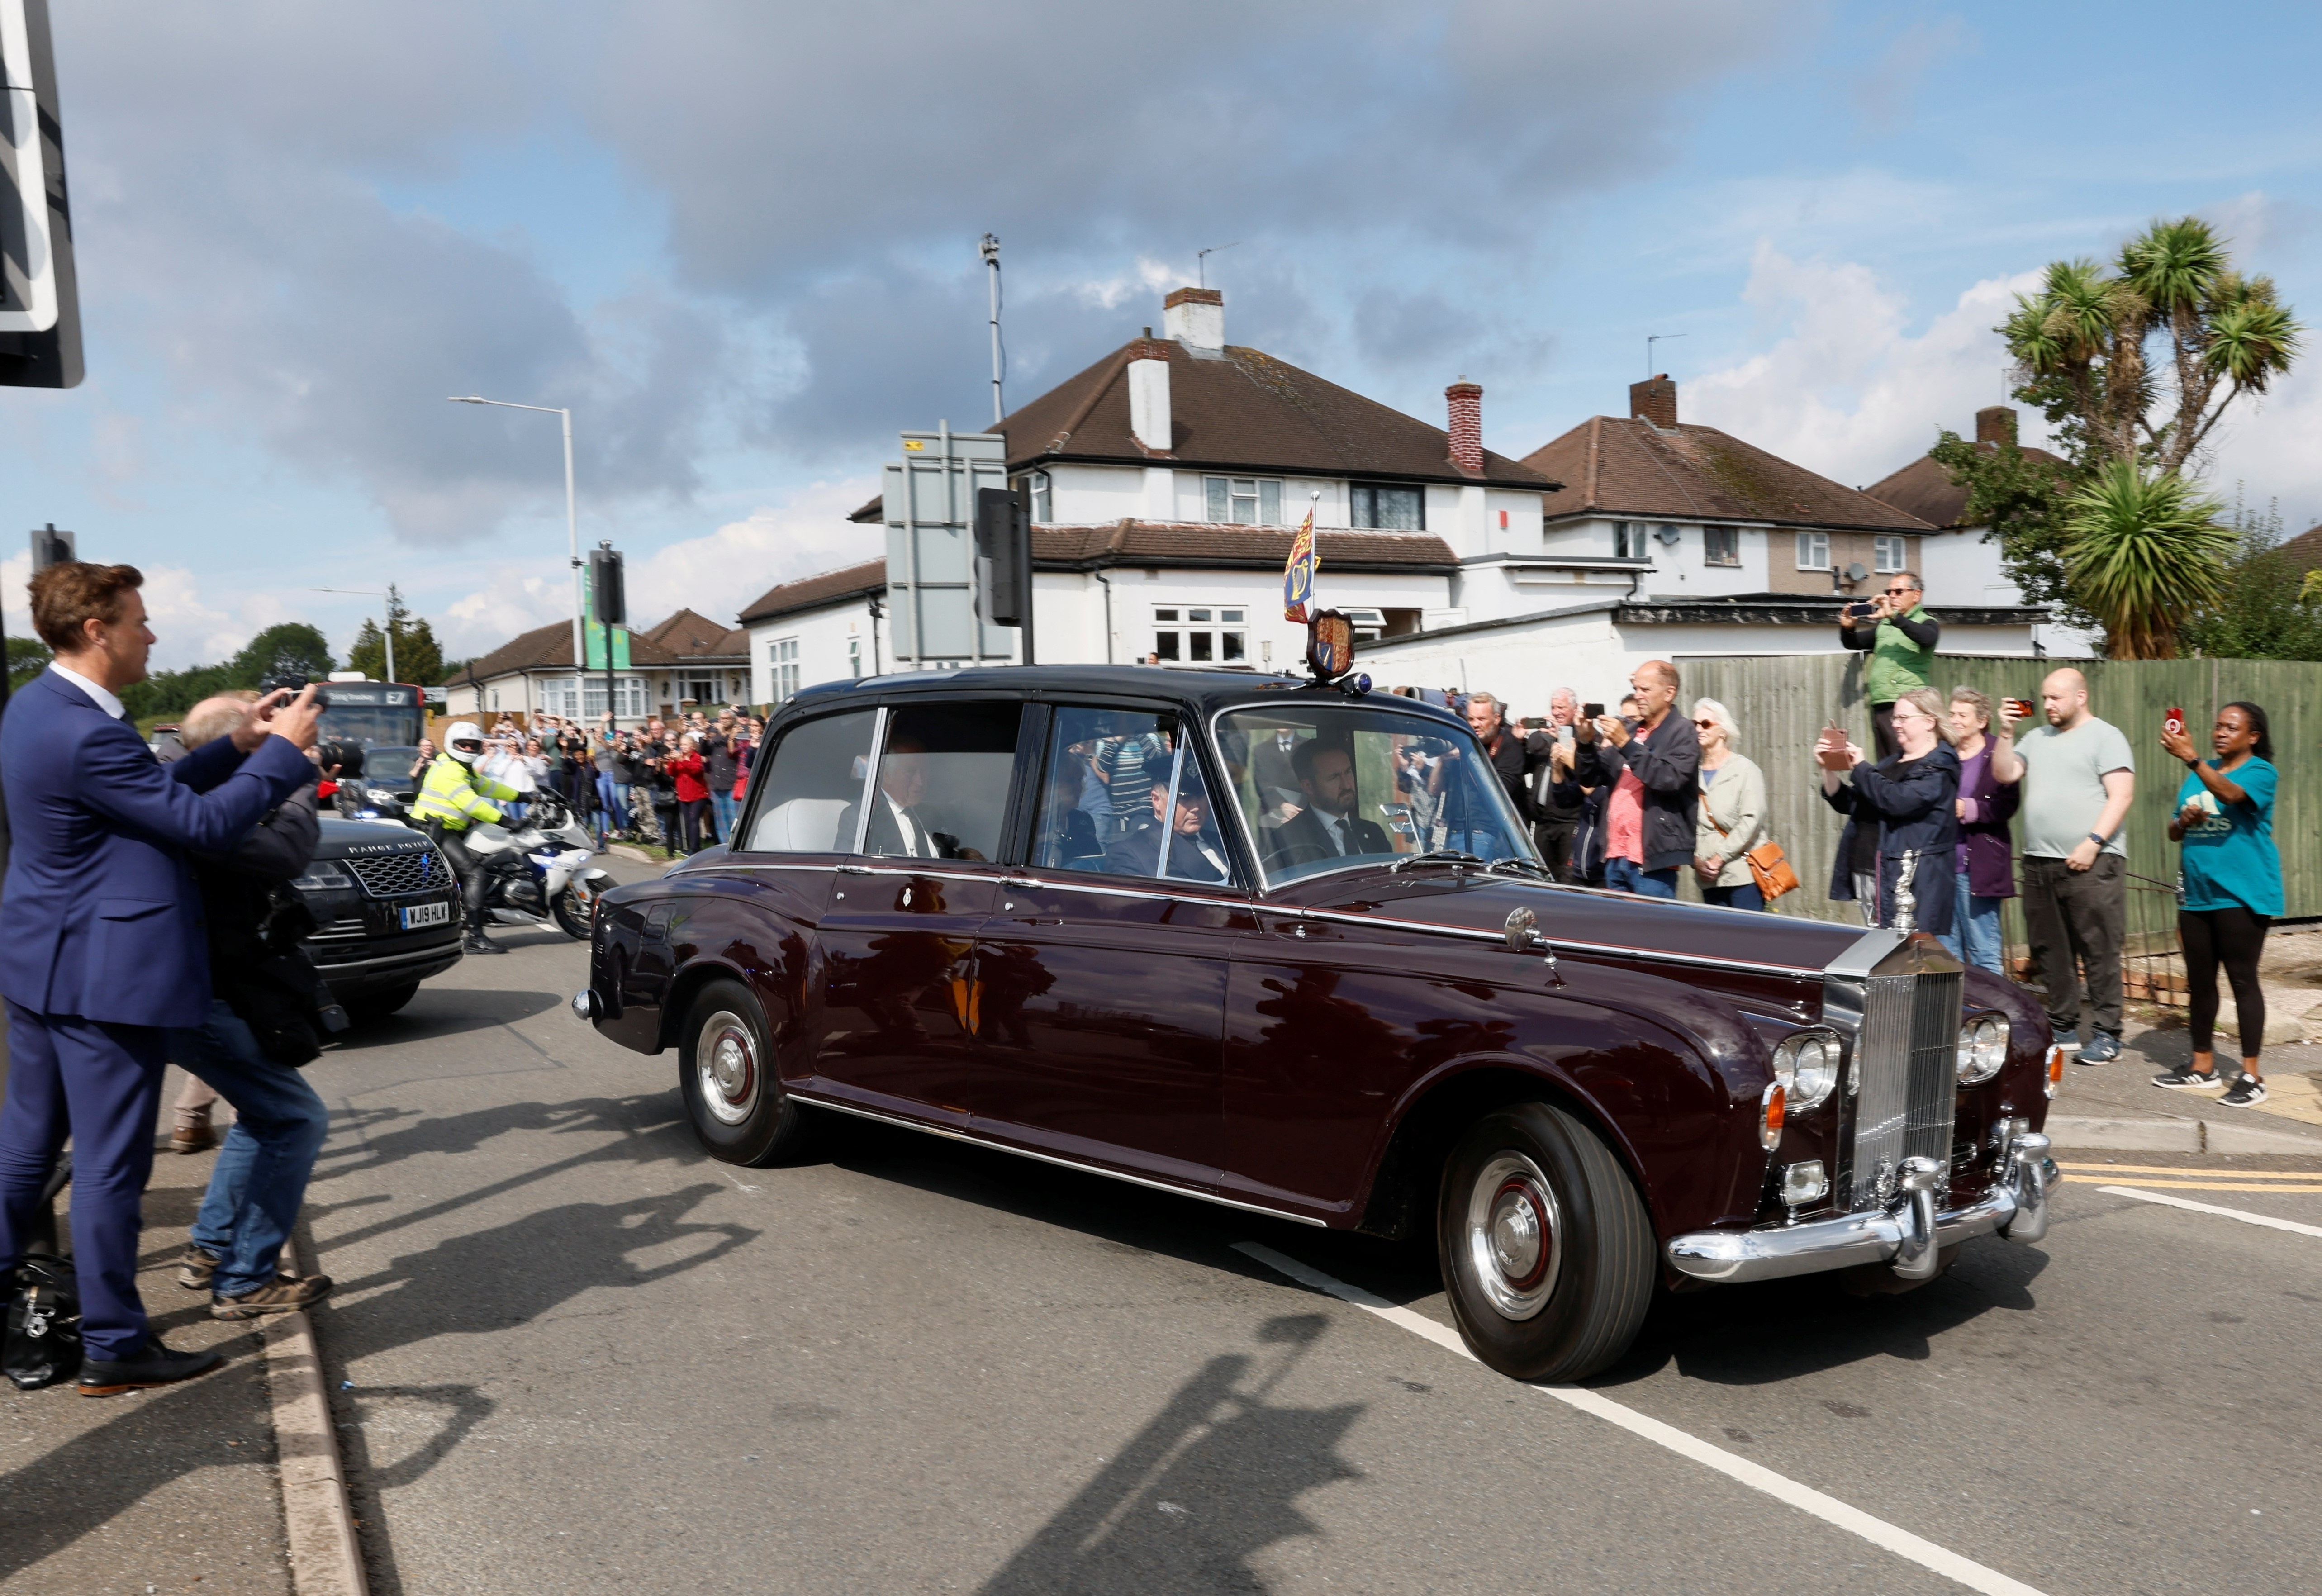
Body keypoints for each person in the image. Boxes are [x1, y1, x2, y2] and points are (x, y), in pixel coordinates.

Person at [0, 562, 320, 1395]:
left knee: (28, 1147)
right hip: (107, 977)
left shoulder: (41, 706)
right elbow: (205, 826)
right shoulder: (87, 730)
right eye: (139, 619)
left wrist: (236, 745)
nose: (152, 634)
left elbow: (147, 795)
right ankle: (113, 1341)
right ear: (97, 629)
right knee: (110, 1166)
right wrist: (284, 756)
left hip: (44, 963)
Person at [165, 695, 335, 1319]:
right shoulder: (204, 812)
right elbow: (283, 854)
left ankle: (212, 1250)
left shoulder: (198, 800)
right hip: (197, 996)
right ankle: (244, 1279)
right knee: (297, 1119)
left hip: (212, 990)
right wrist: (297, 781)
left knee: (265, 1116)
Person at [1990, 667, 2135, 1064]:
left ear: (2080, 697)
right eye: (2045, 698)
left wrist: (2092, 843)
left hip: (2091, 860)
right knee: (2049, 949)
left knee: (2098, 947)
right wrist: (2005, 733)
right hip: (2040, 862)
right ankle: (2063, 1026)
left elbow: (2121, 796)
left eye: (2056, 698)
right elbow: (2004, 773)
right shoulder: (2034, 738)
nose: (2048, 705)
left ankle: (2107, 1034)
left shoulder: (2106, 736)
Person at [2152, 702, 2280, 1107]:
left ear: (2252, 736)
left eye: (2231, 727)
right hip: (2197, 895)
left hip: (2240, 895)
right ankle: (2202, 1066)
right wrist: (2184, 821)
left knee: (2242, 980)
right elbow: (2173, 831)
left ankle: (2251, 1075)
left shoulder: (2260, 771)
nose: (2220, 733)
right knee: (2201, 982)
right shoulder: (2197, 774)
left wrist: (2190, 758)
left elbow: (2231, 794)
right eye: (2217, 726)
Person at [1818, 686, 1959, 936]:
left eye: (1903, 718)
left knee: (1909, 956)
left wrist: (1861, 767)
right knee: (1880, 950)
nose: (1895, 724)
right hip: (1871, 870)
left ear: (1929, 721)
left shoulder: (1940, 765)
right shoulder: (1890, 763)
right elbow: (1852, 804)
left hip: (1910, 878)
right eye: (1895, 718)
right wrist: (1827, 768)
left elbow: (1898, 801)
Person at [1577, 661, 1698, 898]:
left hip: (1651, 860)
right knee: (1618, 932)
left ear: (1669, 693)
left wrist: (1625, 744)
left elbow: (1669, 779)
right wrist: (1584, 742)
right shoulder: (1633, 731)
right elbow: (1591, 777)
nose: (1638, 696)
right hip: (1616, 853)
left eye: (1646, 690)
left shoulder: (1683, 731)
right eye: (1636, 689)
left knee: (1652, 931)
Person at [411, 720, 524, 955]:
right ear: (452, 744)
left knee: (484, 860)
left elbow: (490, 787)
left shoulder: (463, 768)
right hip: (436, 831)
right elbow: (472, 805)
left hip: (449, 829)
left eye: (473, 745)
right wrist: (508, 821)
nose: (469, 749)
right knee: (475, 872)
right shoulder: (449, 770)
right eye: (463, 745)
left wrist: (525, 796)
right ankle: (476, 937)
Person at [1937, 688, 2019, 975]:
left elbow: (2008, 804)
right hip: (1943, 865)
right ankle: (1954, 1016)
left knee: (1984, 953)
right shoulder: (1942, 753)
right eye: (1952, 714)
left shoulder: (1998, 751)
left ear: (1982, 721)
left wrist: (1968, 809)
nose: (1955, 720)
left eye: (1963, 715)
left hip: (1979, 868)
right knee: (1946, 956)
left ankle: (1994, 1016)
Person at [1839, 570, 1939, 761]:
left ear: (1916, 595)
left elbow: (1928, 639)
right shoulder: (1885, 626)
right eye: (1889, 592)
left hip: (1909, 705)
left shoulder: (1926, 622)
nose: (1892, 596)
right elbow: (1854, 643)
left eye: (1899, 592)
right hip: (1882, 703)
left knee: (1907, 760)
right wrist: (1848, 628)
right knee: (1887, 765)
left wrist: (1894, 617)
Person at [1690, 698, 1769, 911]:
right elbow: (1686, 823)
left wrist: (1719, 859)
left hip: (1743, 874)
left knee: (1749, 939)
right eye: (1694, 724)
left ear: (1723, 731)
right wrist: (1696, 861)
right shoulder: (1689, 773)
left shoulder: (1745, 769)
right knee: (1718, 940)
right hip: (1707, 876)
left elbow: (1751, 820)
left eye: (1705, 724)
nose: (1699, 729)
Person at [1268, 739, 1391, 868]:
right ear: (1309, 787)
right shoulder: (1288, 840)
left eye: (1348, 772)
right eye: (1334, 778)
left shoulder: (1373, 832)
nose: (1347, 785)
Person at [1105, 771, 1232, 883]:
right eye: (1185, 798)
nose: (1196, 807)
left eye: (1200, 797)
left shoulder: (1225, 841)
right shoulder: (1130, 853)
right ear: (1157, 801)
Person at [1529, 687, 1585, 882]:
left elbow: (1583, 766)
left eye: (1562, 707)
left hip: (1569, 820)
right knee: (1542, 875)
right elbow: (1531, 750)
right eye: (1554, 707)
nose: (1557, 712)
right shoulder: (1544, 735)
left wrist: (1561, 737)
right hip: (1543, 820)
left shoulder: (1583, 735)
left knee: (1567, 877)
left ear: (1575, 709)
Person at [704, 710, 744, 844]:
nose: (723, 721)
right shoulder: (716, 736)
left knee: (735, 820)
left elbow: (732, 748)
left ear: (733, 720)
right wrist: (705, 737)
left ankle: (737, 846)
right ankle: (725, 847)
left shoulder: (738, 732)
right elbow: (704, 752)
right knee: (721, 822)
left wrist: (722, 734)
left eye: (727, 719)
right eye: (721, 719)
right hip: (717, 783)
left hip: (732, 783)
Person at [671, 732, 712, 852]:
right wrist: (673, 762)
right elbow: (672, 773)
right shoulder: (679, 756)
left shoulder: (696, 757)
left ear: (693, 746)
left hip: (698, 795)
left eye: (686, 745)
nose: (683, 747)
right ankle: (690, 846)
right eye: (681, 745)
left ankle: (695, 848)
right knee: (688, 821)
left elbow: (696, 771)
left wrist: (683, 761)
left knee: (694, 820)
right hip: (684, 795)